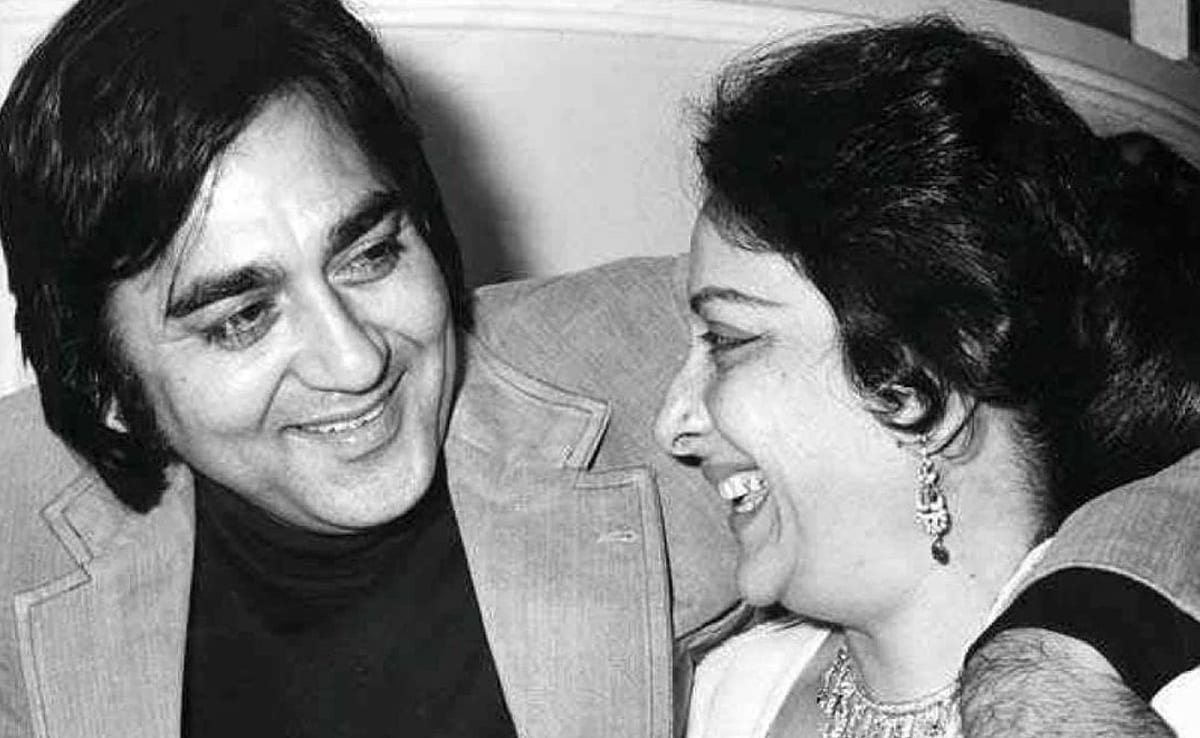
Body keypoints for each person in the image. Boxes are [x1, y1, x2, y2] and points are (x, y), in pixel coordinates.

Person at [0, 0, 738, 736]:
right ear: (106, 386)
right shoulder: (16, 534)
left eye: (372, 254)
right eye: (241, 318)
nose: (356, 361)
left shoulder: (686, 353)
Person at [654, 16, 1200, 738]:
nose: (673, 423)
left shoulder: (1171, 705)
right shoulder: (722, 693)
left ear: (923, 383)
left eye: (727, 341)